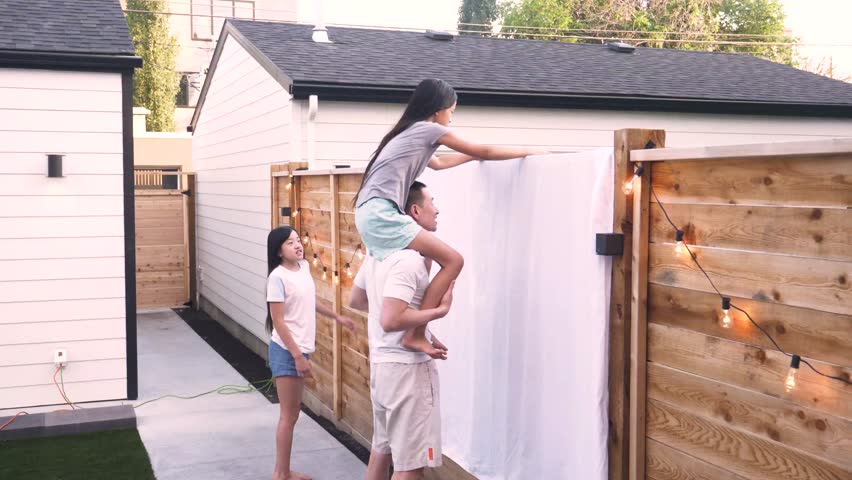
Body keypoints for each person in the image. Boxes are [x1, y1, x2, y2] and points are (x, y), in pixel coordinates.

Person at [353, 78, 544, 357]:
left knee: (426, 258)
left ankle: (416, 327)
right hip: (381, 213)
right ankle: (415, 333)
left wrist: (472, 158)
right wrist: (530, 151)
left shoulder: (407, 132)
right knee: (454, 260)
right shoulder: (428, 129)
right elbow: (484, 150)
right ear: (438, 110)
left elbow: (440, 164)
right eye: (451, 112)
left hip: (367, 212)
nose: (451, 119)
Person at [349, 181, 455, 480]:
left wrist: (420, 327)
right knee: (410, 468)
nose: (437, 209)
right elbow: (391, 320)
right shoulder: (408, 260)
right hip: (407, 374)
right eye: (432, 202)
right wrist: (438, 312)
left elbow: (357, 300)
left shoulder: (377, 253)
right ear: (415, 211)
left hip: (383, 369)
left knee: (381, 451)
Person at [266, 226, 356, 480]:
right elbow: (278, 322)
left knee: (292, 415)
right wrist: (297, 357)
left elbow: (308, 301)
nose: (297, 245)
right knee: (288, 416)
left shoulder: (303, 267)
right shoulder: (277, 277)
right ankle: (281, 474)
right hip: (287, 350)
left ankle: (283, 471)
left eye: (297, 240)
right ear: (278, 251)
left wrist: (337, 316)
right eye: (289, 243)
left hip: (299, 349)